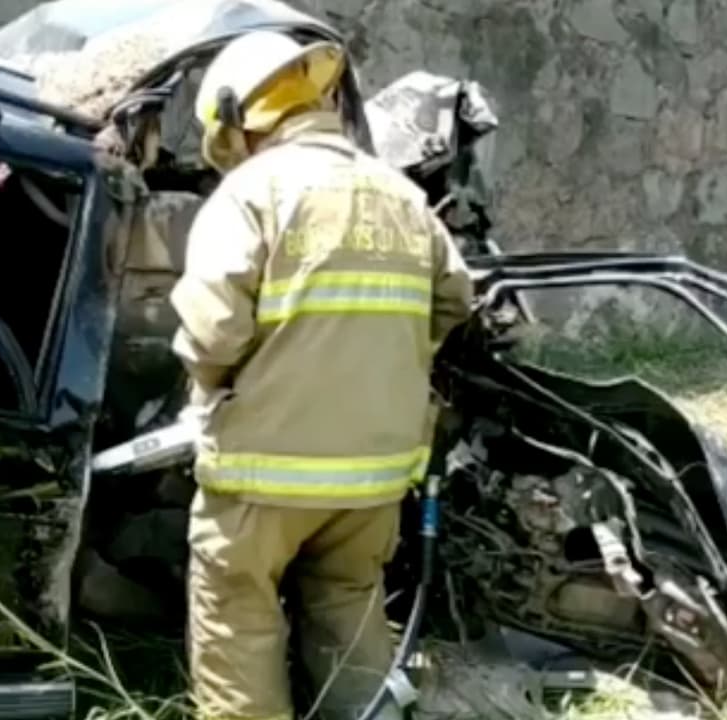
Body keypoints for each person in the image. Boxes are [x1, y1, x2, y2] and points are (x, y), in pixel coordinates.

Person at [171, 30, 474, 720]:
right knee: (347, 608)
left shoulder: (251, 193)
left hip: (262, 470)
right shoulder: (399, 194)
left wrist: (209, 389)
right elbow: (455, 299)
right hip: (374, 474)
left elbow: (213, 331)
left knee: (238, 613)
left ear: (238, 120)